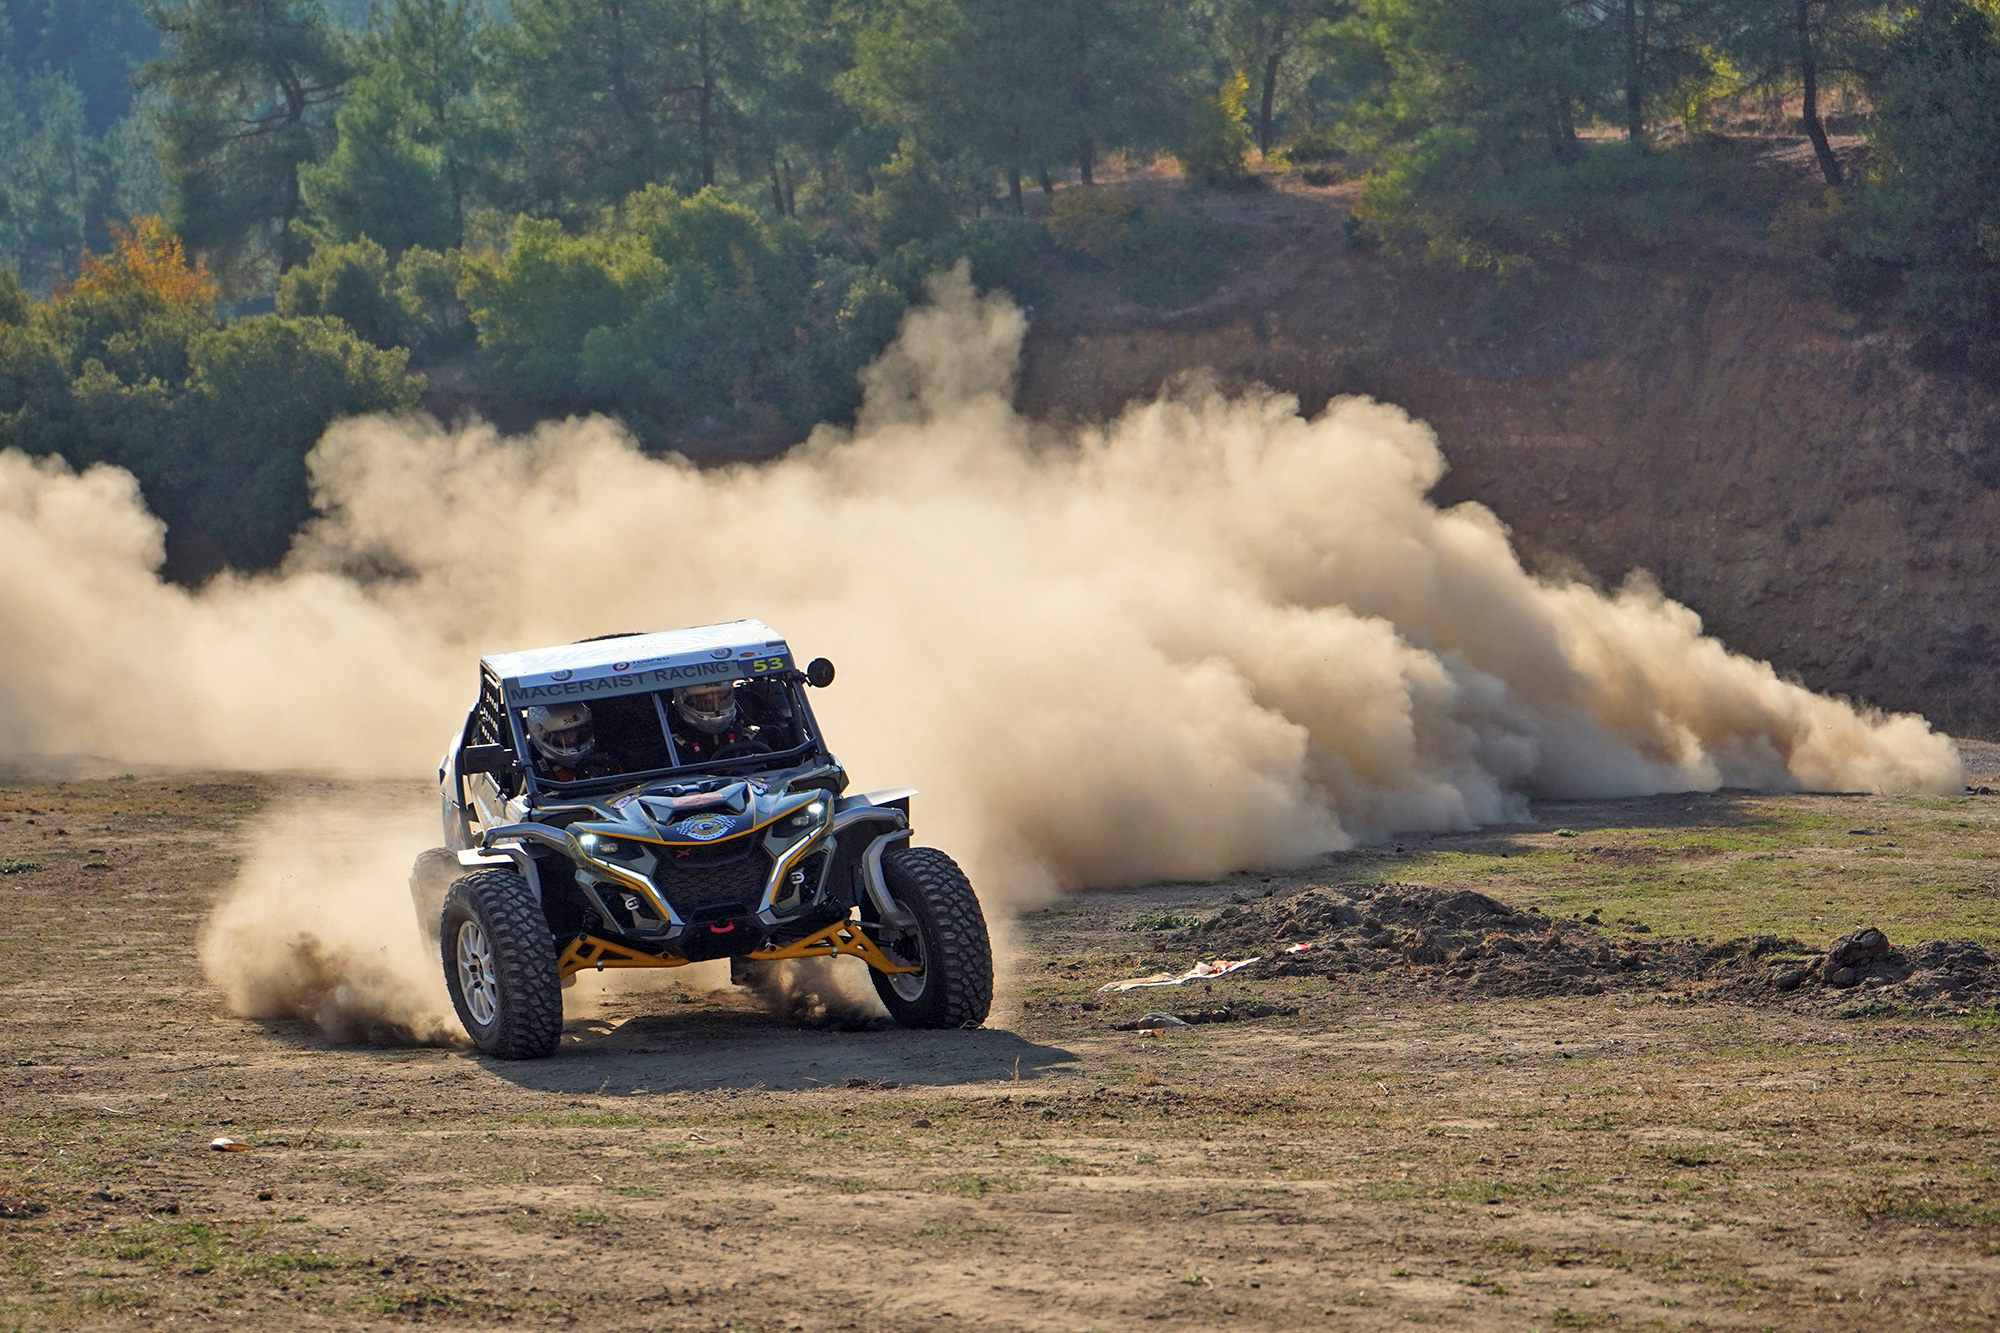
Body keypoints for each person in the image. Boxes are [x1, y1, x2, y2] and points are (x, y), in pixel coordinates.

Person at [669, 681, 770, 762]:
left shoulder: (748, 735)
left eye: (722, 699)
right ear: (682, 701)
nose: (716, 707)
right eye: (706, 702)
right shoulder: (673, 746)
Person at [524, 702, 619, 782]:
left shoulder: (605, 757)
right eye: (562, 734)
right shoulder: (531, 767)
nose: (572, 738)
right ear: (542, 735)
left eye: (577, 730)